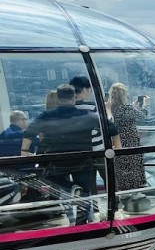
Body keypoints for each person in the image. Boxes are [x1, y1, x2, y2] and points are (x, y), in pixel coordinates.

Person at [21, 84, 105, 224]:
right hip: (82, 159)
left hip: (57, 160)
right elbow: (111, 129)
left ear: (59, 98)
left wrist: (24, 152)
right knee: (85, 190)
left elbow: (29, 132)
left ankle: (70, 214)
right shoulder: (87, 116)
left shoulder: (46, 115)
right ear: (74, 97)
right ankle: (86, 219)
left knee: (59, 186)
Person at [107, 83, 145, 193]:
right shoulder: (125, 108)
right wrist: (144, 105)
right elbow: (142, 116)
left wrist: (133, 107)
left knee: (122, 166)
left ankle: (124, 189)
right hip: (131, 140)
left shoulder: (112, 108)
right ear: (123, 95)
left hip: (118, 140)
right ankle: (135, 190)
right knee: (133, 166)